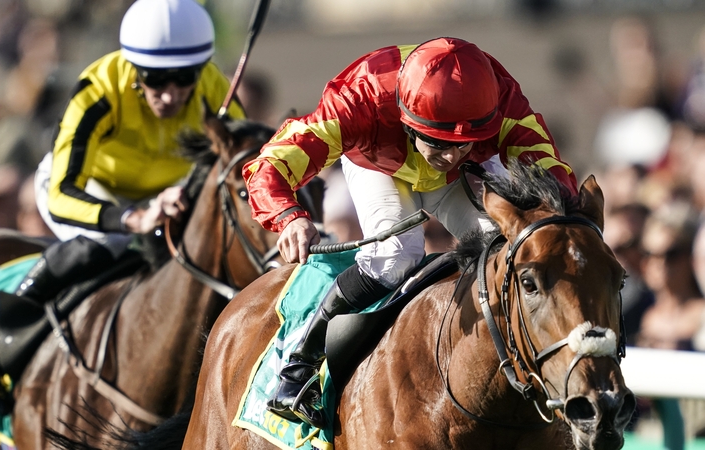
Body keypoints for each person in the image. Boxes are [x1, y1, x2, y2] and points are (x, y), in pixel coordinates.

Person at [242, 37, 577, 428]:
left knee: (509, 247)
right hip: (378, 162)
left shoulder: (500, 99)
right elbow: (273, 160)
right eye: (439, 141)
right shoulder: (359, 101)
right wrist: (288, 215)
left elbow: (550, 168)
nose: (450, 154)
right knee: (395, 257)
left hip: (461, 176)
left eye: (461, 143)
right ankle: (300, 365)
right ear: (404, 117)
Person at [0, 0, 245, 415]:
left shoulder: (219, 93)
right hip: (91, 187)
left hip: (166, 192)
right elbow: (62, 190)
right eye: (155, 80)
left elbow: (242, 171)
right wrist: (130, 217)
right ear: (134, 69)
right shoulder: (100, 88)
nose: (169, 94)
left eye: (184, 79)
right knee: (103, 245)